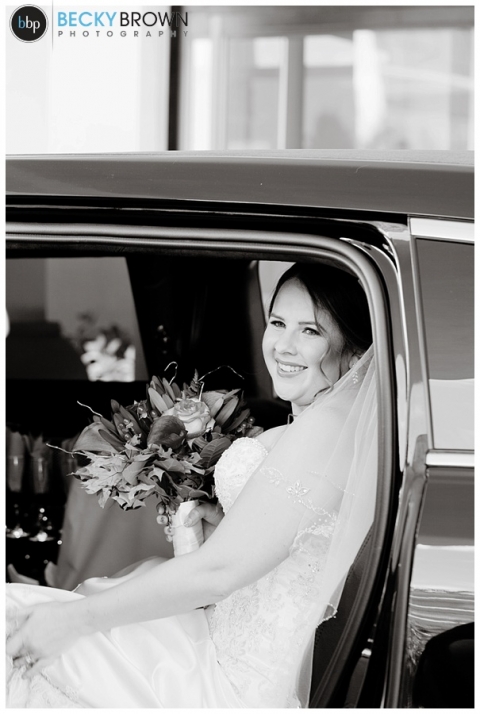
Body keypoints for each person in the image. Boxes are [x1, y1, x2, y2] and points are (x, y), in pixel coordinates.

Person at [6, 262, 377, 708]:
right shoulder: (322, 426)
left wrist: (73, 621)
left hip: (230, 679)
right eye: (278, 323)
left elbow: (218, 574)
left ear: (355, 354)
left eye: (310, 331)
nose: (283, 345)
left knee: (16, 625)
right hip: (215, 640)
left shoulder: (326, 430)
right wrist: (227, 522)